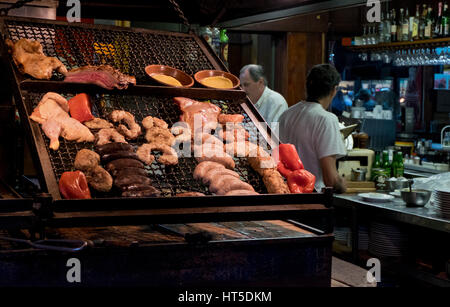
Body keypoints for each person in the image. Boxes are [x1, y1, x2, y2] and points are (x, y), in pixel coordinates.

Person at [279, 64, 347, 193]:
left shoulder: (286, 115)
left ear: (307, 87)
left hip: (286, 192)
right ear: (334, 90)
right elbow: (331, 180)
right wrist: (343, 184)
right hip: (312, 195)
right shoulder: (327, 119)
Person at [239, 64, 288, 129]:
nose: (242, 89)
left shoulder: (277, 102)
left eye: (246, 85)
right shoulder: (244, 101)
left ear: (260, 82)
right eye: (241, 85)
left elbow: (275, 136)